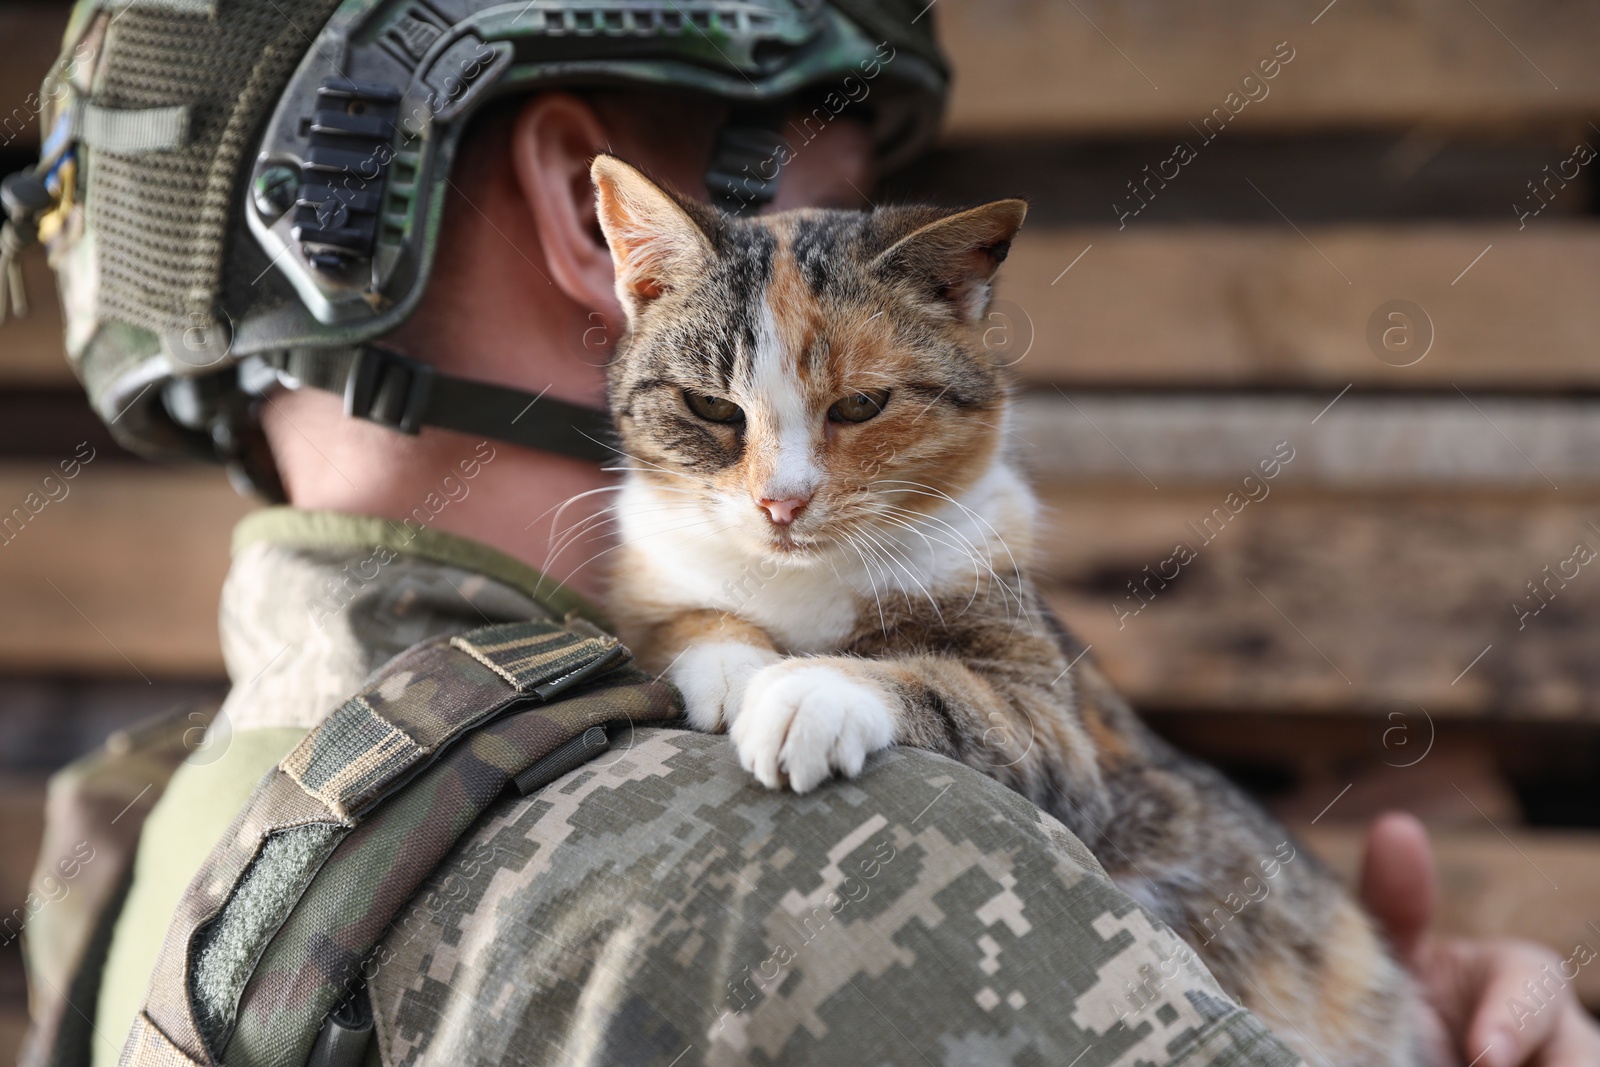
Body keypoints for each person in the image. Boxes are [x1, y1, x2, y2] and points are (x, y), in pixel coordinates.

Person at [3, 2, 1595, 1065]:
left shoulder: (149, 826)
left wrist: (1281, 973)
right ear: (595, 219)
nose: (864, 219)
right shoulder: (833, 850)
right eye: (839, 157)